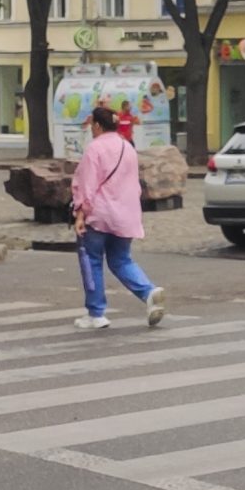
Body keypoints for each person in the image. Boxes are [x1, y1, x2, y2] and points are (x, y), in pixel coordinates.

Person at [72, 103, 163, 331]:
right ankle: (148, 292)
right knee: (121, 259)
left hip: (99, 215)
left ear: (97, 125)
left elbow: (87, 185)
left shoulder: (94, 149)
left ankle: (96, 314)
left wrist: (80, 214)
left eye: (92, 125)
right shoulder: (127, 147)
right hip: (125, 214)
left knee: (91, 261)